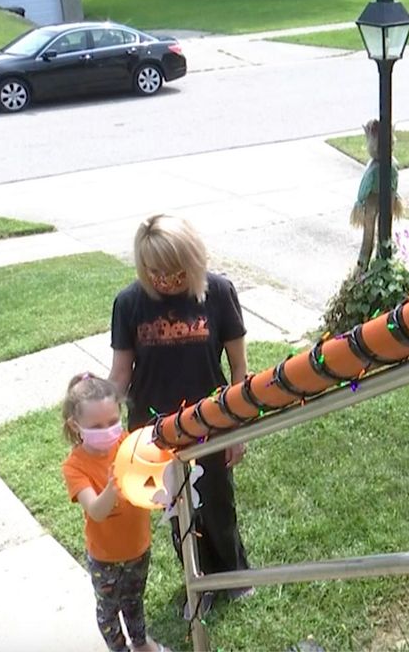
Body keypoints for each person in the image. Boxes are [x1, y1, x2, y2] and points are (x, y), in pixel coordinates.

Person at [108, 214, 253, 615]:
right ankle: (199, 583)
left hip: (212, 422)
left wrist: (238, 426)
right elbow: (121, 374)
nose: (165, 282)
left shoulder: (219, 293)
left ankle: (236, 574)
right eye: (155, 272)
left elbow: (239, 368)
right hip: (154, 434)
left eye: (174, 272)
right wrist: (102, 416)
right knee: (178, 512)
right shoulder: (129, 303)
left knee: (218, 503)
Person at [60, 372, 169, 652]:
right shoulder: (75, 466)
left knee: (134, 600)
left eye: (112, 421)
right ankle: (119, 648)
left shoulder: (128, 445)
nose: (108, 430)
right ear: (76, 425)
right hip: (104, 557)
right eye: (97, 425)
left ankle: (141, 643)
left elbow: (152, 478)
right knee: (108, 611)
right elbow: (96, 511)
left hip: (138, 547)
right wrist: (113, 486)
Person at [350, 118, 404, 270]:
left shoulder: (375, 169)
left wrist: (360, 202)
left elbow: (364, 188)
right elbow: (394, 182)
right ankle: (375, 263)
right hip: (385, 199)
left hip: (373, 201)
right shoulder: (391, 165)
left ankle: (365, 265)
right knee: (380, 232)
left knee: (371, 236)